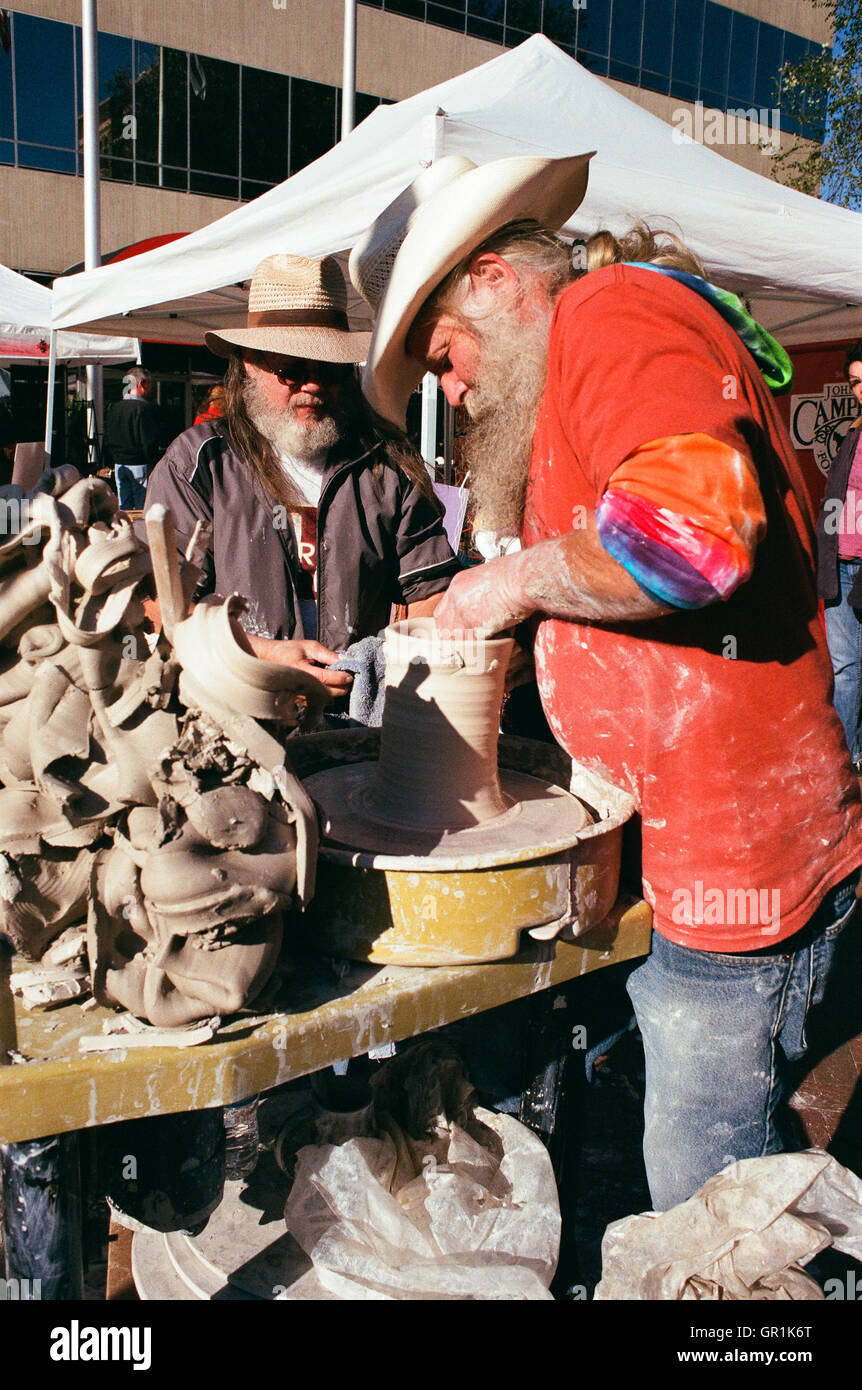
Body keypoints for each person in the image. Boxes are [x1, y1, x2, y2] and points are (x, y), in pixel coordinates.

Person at [349, 154, 862, 1210]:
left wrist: (503, 588)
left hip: (739, 857)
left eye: (443, 357)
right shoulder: (593, 340)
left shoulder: (614, 312)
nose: (452, 390)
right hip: (676, 835)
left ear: (493, 278)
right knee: (681, 1148)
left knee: (707, 1199)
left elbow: (688, 542)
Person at [145, 253, 458, 694]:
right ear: (248, 365)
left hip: (355, 709)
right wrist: (264, 654)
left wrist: (396, 659)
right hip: (234, 705)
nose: (312, 385)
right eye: (290, 371)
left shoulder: (385, 464)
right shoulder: (199, 463)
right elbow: (161, 606)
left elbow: (432, 590)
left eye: (328, 370)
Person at [817, 340, 862, 768]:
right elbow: (836, 498)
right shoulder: (852, 433)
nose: (861, 389)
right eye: (855, 382)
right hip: (842, 567)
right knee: (845, 670)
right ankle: (847, 760)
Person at [104, 367, 167, 509]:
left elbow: (108, 436)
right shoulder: (144, 409)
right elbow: (148, 440)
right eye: (149, 383)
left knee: (123, 507)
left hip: (119, 463)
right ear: (140, 384)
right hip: (139, 463)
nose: (151, 387)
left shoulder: (115, 408)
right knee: (141, 509)